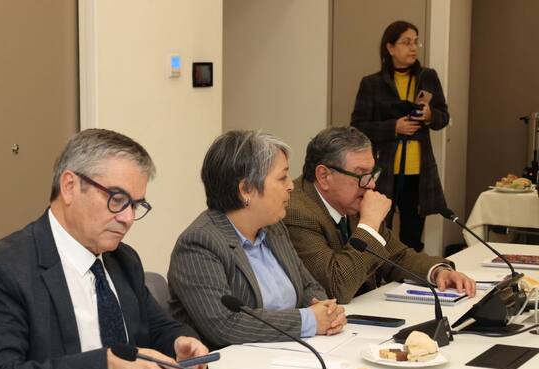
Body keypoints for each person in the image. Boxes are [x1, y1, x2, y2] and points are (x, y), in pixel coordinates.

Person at [0, 128, 209, 369]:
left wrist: (183, 343)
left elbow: (156, 328)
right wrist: (105, 366)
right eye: (117, 199)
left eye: (135, 205)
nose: (128, 218)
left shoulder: (122, 260)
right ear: (69, 187)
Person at [167, 130, 346, 349]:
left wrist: (326, 312)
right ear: (246, 190)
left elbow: (308, 285)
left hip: (290, 353)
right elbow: (226, 325)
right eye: (282, 177)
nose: (291, 185)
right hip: (235, 364)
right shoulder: (199, 244)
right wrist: (308, 321)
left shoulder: (274, 228)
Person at [284, 126, 476, 304]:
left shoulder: (352, 201)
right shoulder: (296, 212)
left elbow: (397, 257)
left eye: (372, 174)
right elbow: (336, 288)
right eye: (361, 175)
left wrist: (438, 272)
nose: (371, 185)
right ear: (324, 176)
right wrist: (369, 225)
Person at [350, 20, 449, 252]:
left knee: (412, 237)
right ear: (390, 47)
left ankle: (410, 272)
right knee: (376, 232)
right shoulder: (372, 83)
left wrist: (430, 115)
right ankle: (374, 272)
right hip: (383, 170)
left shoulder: (428, 77)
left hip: (418, 171)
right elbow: (358, 127)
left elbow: (443, 117)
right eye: (406, 42)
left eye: (416, 42)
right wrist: (394, 127)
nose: (413, 48)